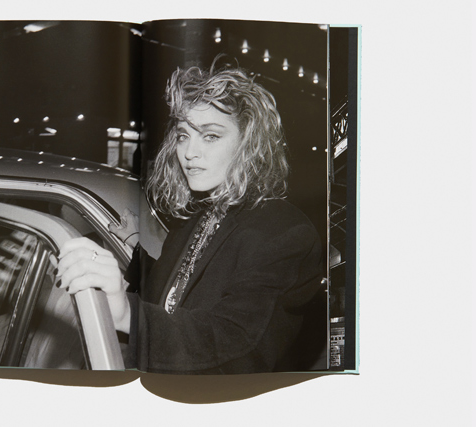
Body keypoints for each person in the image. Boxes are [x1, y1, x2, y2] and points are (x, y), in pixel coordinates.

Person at [56, 63, 323, 374]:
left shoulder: (283, 231)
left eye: (210, 136)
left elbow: (237, 343)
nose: (189, 152)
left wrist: (128, 315)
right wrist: (132, 249)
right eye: (183, 136)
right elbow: (173, 290)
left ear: (248, 144)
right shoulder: (197, 215)